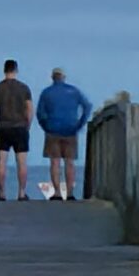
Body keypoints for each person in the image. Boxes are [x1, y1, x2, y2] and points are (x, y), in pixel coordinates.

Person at [36, 67, 93, 201]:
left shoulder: (46, 93)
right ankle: (70, 193)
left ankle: (56, 193)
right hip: (70, 130)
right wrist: (80, 123)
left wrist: (46, 126)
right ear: (63, 77)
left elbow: (40, 114)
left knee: (55, 162)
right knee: (70, 162)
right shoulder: (74, 91)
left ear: (52, 77)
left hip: (53, 130)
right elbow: (87, 106)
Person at [0, 58, 34, 199]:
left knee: (1, 162)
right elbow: (30, 109)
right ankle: (21, 193)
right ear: (16, 70)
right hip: (20, 127)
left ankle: (2, 193)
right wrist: (28, 124)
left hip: (3, 127)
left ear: (4, 70)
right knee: (22, 163)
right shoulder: (24, 88)